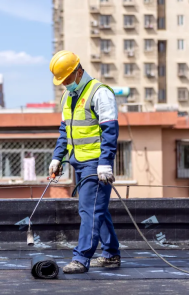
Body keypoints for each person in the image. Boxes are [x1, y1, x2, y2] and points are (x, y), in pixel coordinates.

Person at [49, 50, 121, 274]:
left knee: (89, 210)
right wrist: (57, 158)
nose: (65, 84)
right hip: (78, 163)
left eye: (68, 79)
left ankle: (81, 259)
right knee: (98, 209)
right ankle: (110, 254)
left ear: (79, 71)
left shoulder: (100, 93)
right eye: (62, 81)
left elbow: (110, 131)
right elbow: (65, 132)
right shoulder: (68, 97)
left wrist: (105, 163)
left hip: (95, 163)